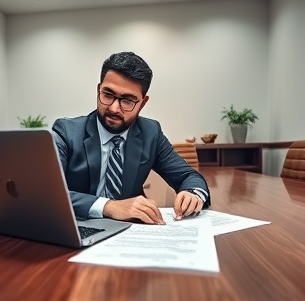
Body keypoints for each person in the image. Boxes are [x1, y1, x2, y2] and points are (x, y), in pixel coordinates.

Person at [52, 51, 210, 225]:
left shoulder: (151, 133)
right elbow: (47, 191)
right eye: (108, 94)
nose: (113, 108)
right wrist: (109, 207)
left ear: (142, 103)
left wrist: (193, 194)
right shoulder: (66, 132)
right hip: (78, 228)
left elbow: (188, 176)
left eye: (127, 101)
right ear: (99, 90)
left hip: (131, 232)